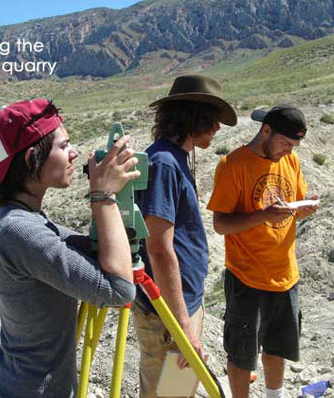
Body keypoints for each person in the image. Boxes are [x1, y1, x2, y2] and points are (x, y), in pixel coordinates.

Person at [0, 98, 140, 398]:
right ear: (32, 158)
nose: (74, 153)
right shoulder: (19, 231)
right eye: (64, 146)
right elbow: (120, 290)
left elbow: (93, 253)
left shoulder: (23, 220)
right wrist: (103, 195)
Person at [132, 75, 237, 398]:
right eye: (213, 119)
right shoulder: (164, 163)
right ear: (194, 117)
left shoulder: (173, 159)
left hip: (179, 305)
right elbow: (159, 250)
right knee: (168, 395)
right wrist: (182, 328)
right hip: (168, 314)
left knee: (177, 392)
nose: (218, 127)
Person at [207, 105, 320, 398]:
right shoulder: (232, 165)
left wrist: (304, 209)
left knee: (277, 346)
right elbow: (221, 224)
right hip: (247, 277)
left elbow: (291, 209)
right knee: (242, 353)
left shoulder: (290, 161)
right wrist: (263, 216)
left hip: (285, 274)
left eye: (293, 146)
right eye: (285, 143)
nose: (288, 151)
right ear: (266, 131)